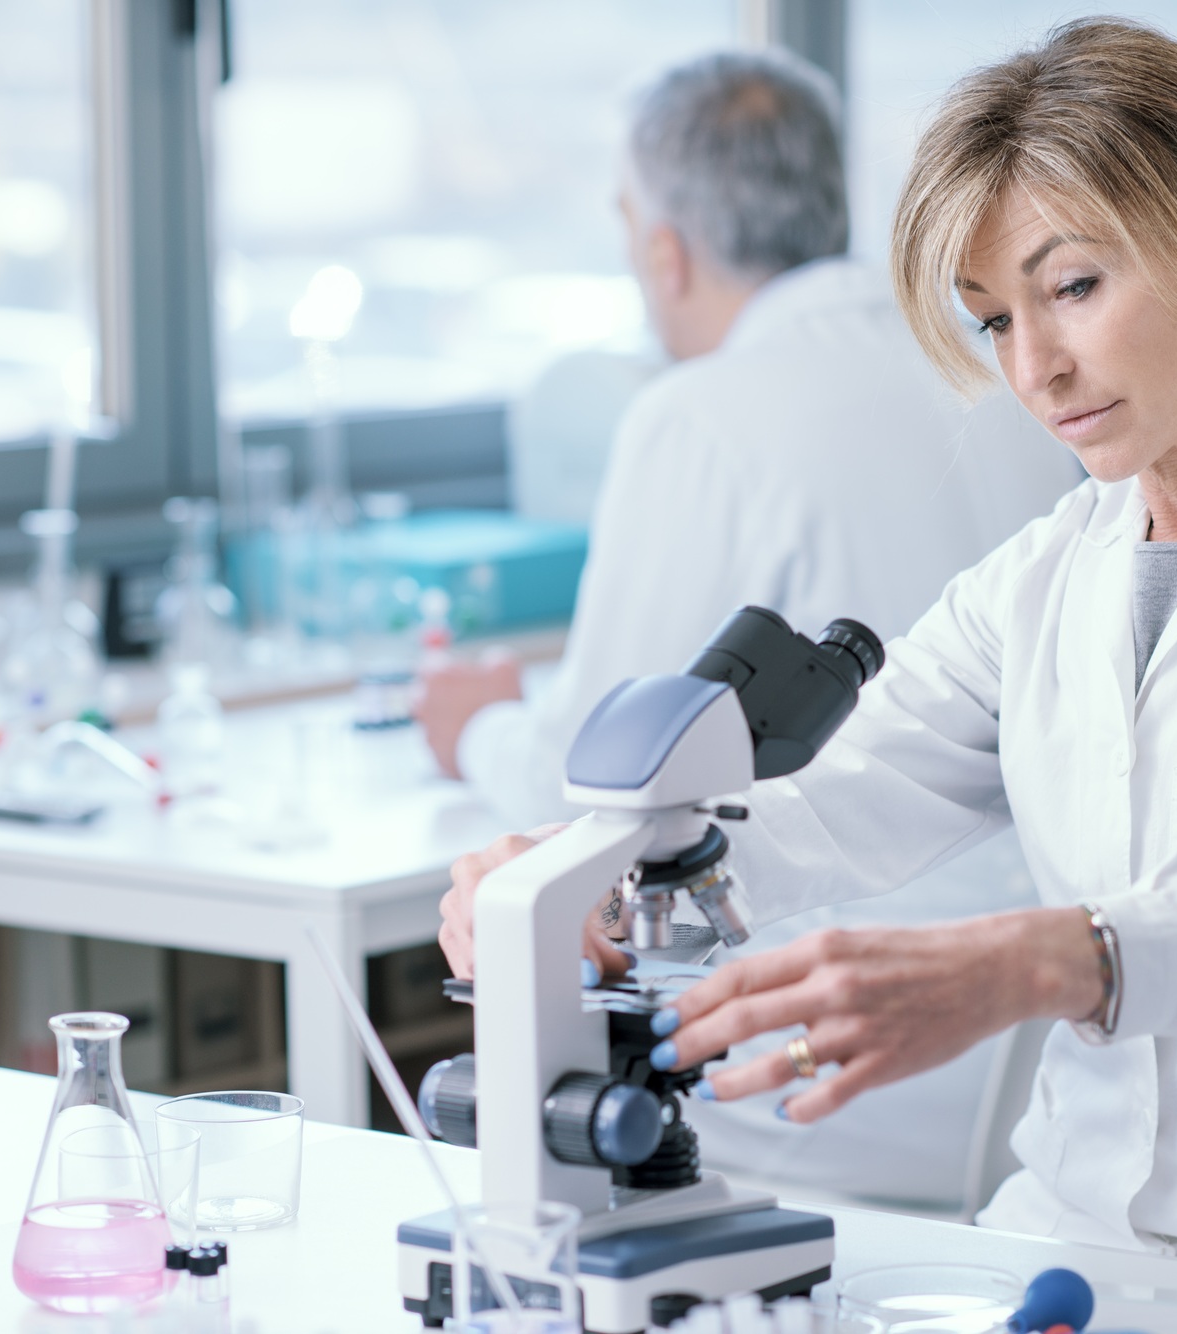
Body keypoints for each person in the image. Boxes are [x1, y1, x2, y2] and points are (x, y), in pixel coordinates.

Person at [441, 19, 1177, 1308]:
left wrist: (1034, 959)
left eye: (1073, 286)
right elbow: (828, 797)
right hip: (1064, 1247)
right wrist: (579, 871)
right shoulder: (1041, 578)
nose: (1035, 368)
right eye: (992, 321)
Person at [419, 50, 1084, 1205]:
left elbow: (598, 782)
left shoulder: (697, 416)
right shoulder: (1009, 376)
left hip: (826, 1073)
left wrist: (472, 729)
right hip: (1039, 1059)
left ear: (663, 251)